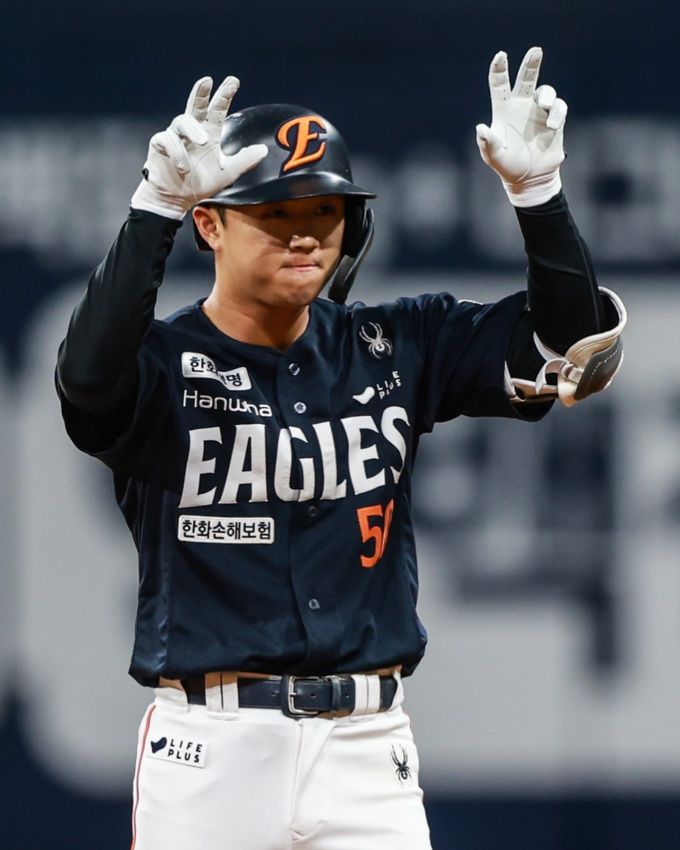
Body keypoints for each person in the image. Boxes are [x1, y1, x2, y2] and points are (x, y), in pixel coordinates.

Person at [56, 47, 625, 850]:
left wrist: (539, 196)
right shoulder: (160, 365)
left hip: (366, 748)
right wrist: (154, 209)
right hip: (211, 747)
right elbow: (86, 378)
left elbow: (571, 347)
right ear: (210, 224)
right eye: (275, 213)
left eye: (325, 211)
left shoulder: (400, 343)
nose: (304, 235)